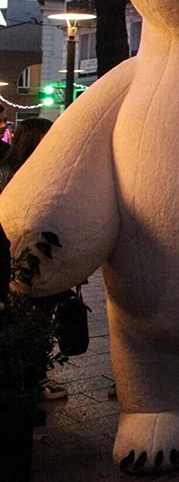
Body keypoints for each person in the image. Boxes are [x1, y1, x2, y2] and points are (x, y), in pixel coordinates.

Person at [0, 118, 66, 399]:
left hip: (26, 258)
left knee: (34, 317)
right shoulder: (23, 175)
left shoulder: (14, 170)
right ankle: (32, 381)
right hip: (25, 258)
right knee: (33, 318)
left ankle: (29, 379)